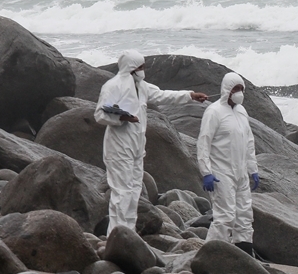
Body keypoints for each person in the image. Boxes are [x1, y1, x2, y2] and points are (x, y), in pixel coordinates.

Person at [95, 51, 207, 234]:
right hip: (118, 147)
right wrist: (121, 117)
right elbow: (99, 114)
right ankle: (116, 234)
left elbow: (164, 95)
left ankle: (127, 233)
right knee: (121, 192)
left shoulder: (142, 87)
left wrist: (190, 96)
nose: (143, 70)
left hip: (137, 147)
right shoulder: (113, 86)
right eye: (140, 67)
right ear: (131, 68)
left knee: (134, 191)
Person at [197, 72, 260, 255]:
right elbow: (203, 142)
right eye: (235, 89)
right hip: (221, 172)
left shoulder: (241, 111)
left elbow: (249, 142)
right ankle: (211, 254)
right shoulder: (214, 112)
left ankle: (245, 253)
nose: (239, 92)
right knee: (225, 216)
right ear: (226, 90)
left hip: (241, 172)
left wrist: (252, 169)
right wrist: (206, 172)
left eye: (241, 89)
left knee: (244, 215)